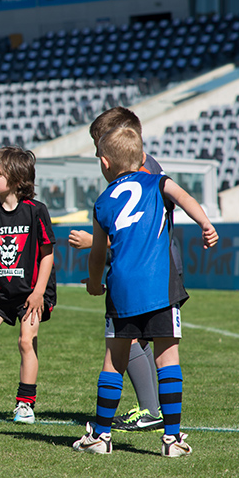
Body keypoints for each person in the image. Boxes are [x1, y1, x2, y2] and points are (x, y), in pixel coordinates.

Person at [72, 126, 218, 457]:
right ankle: (172, 439)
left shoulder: (103, 201)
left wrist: (95, 283)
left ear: (105, 163)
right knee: (168, 358)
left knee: (114, 360)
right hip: (160, 286)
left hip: (122, 288)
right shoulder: (158, 181)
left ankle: (101, 437)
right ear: (141, 158)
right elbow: (185, 198)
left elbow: (97, 254)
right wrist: (205, 224)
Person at [69, 106, 180, 432]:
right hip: (147, 268)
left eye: (99, 143)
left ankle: (149, 411)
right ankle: (154, 412)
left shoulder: (145, 174)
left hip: (151, 270)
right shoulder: (144, 172)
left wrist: (94, 242)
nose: (96, 152)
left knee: (130, 342)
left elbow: (139, 231)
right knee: (143, 342)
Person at [0, 147, 56, 425]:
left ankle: (25, 404)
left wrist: (39, 292)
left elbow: (47, 254)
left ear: (17, 179)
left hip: (32, 293)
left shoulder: (36, 211)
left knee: (26, 341)